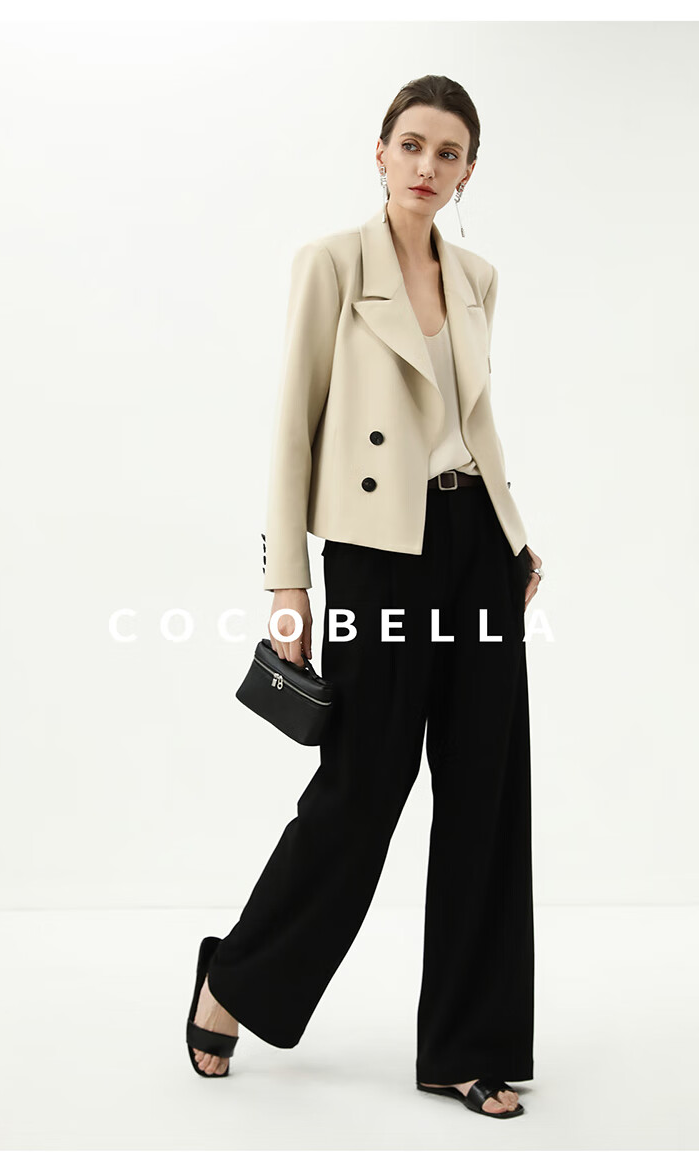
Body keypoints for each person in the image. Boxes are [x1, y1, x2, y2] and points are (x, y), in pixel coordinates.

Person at [185, 73, 544, 1120]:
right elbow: (292, 423)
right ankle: (235, 979)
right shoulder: (332, 264)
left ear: (470, 171)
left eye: (450, 152)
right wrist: (286, 577)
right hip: (377, 553)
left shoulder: (476, 278)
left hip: (478, 546)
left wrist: (517, 538)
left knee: (486, 793)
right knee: (361, 788)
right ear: (380, 153)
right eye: (413, 144)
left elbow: (474, 423)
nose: (429, 165)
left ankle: (469, 1046)